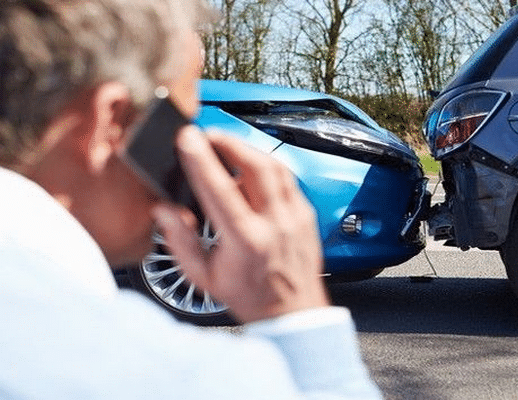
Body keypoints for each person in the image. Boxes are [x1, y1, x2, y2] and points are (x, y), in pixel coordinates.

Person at [0, 0, 382, 398]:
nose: (186, 151)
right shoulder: (145, 369)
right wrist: (296, 313)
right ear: (111, 121)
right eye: (179, 122)